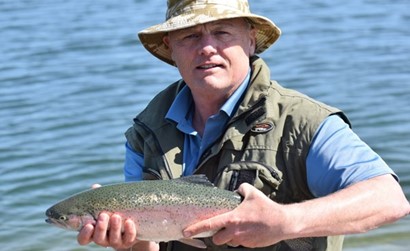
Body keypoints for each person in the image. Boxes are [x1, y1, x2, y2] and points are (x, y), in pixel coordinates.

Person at [77, 0, 410, 250]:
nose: (207, 48)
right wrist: (130, 241)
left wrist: (283, 222)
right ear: (170, 49)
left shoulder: (301, 121)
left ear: (250, 41)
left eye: (222, 32)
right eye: (190, 36)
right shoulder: (145, 134)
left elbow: (388, 199)